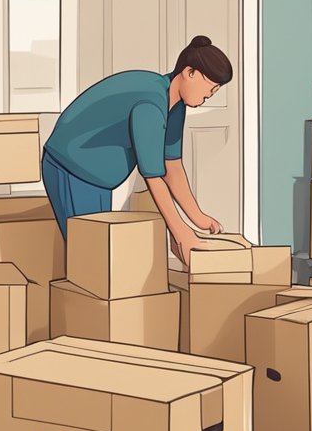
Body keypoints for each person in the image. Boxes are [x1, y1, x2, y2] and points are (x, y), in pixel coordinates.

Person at [41, 36, 233, 266]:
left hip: (96, 179)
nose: (210, 95)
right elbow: (152, 175)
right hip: (71, 166)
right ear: (190, 72)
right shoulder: (151, 104)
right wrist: (180, 231)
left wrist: (197, 217)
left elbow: (172, 167)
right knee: (89, 259)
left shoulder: (175, 105)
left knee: (97, 255)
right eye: (210, 87)